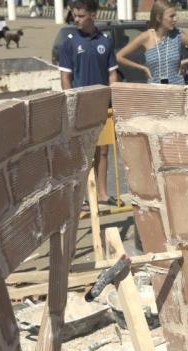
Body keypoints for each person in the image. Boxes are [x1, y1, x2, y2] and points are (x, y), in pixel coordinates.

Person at [57, 0, 118, 206]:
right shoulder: (70, 42)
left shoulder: (106, 41)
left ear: (93, 15)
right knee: (81, 153)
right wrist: (71, 102)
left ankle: (102, 194)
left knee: (103, 150)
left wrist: (113, 99)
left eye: (81, 15)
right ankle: (81, 197)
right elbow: (65, 77)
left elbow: (112, 75)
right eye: (75, 15)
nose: (76, 19)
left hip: (102, 105)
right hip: (80, 104)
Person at [116, 0, 188, 85]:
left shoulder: (179, 35)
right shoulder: (146, 37)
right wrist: (143, 68)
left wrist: (186, 61)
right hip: (155, 91)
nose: (176, 19)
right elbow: (119, 56)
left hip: (176, 89)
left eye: (175, 15)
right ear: (159, 18)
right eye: (172, 16)